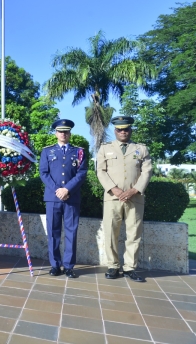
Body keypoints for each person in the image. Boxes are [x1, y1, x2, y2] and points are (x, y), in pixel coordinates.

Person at [96, 116, 152, 282]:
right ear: (115, 131)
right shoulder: (105, 148)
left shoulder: (141, 149)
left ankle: (129, 268)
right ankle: (113, 266)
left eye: (126, 129)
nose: (123, 132)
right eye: (119, 129)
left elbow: (147, 172)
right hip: (113, 198)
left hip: (135, 198)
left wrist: (134, 190)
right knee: (111, 233)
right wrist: (115, 189)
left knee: (134, 233)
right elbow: (101, 171)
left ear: (130, 130)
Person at [39, 119, 88, 278]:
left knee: (71, 233)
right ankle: (55, 265)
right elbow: (43, 173)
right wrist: (58, 190)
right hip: (53, 198)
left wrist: (67, 189)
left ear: (70, 133)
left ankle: (68, 266)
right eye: (60, 131)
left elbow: (82, 173)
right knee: (53, 233)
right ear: (56, 133)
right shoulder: (47, 151)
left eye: (66, 131)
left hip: (71, 198)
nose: (63, 134)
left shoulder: (79, 151)